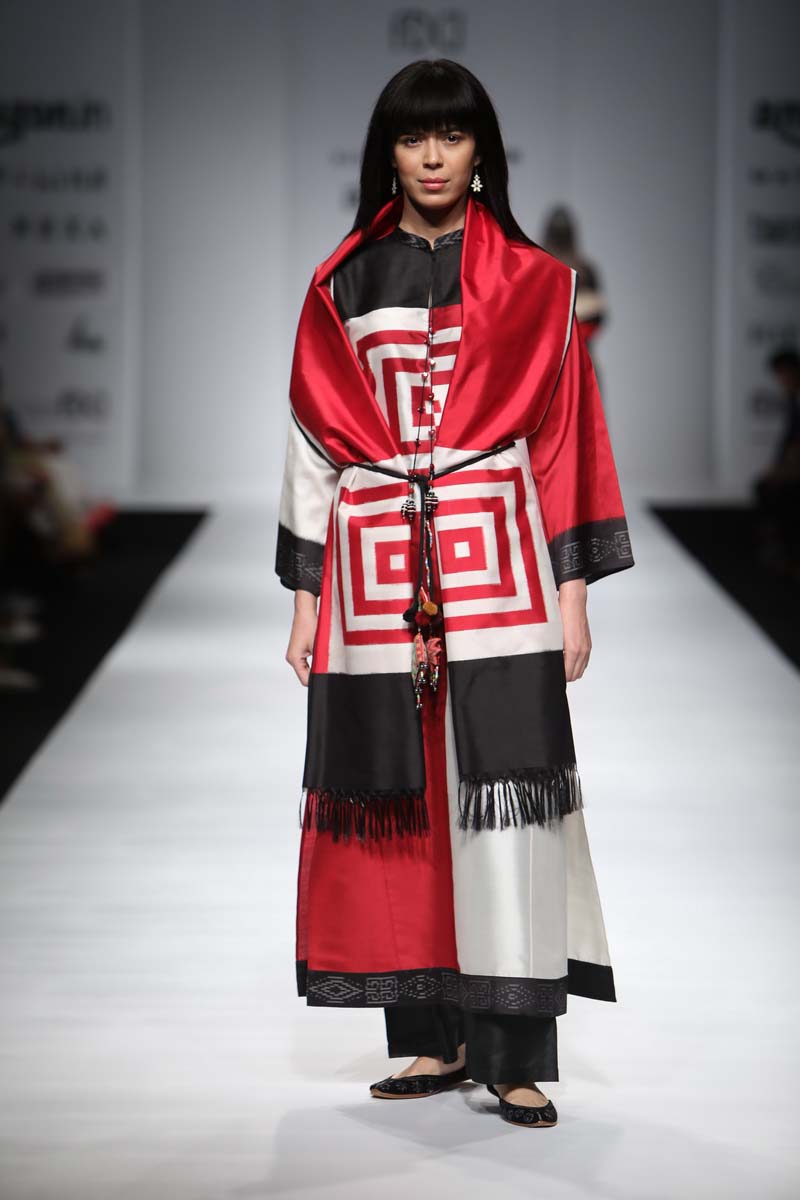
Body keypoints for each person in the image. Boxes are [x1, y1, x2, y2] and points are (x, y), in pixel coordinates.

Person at [275, 58, 634, 1130]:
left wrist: (574, 591)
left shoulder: (534, 282)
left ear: (482, 151)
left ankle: (514, 1052)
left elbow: (563, 439)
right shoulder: (342, 280)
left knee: (507, 800)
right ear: (385, 152)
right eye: (411, 137)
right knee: (401, 800)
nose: (432, 156)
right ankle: (432, 1038)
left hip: (500, 558)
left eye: (452, 135)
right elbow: (312, 443)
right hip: (376, 560)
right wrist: (305, 600)